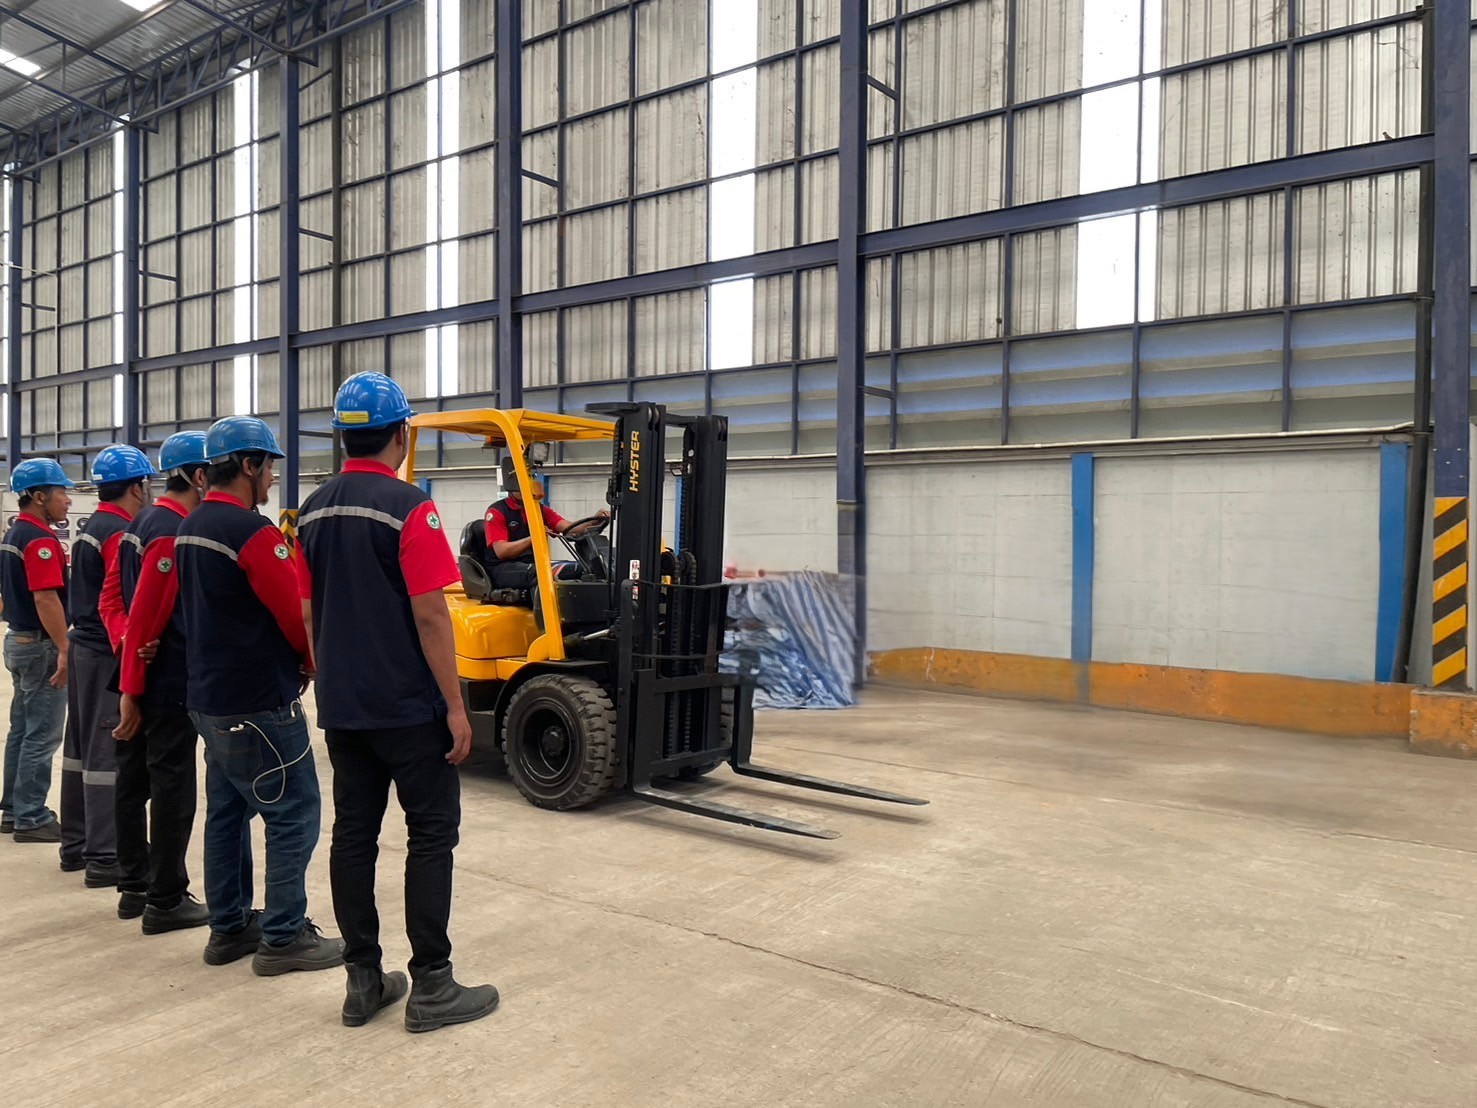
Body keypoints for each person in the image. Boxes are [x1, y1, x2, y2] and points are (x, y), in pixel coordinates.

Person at [298, 371, 498, 1032]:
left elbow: (308, 610)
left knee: (353, 835)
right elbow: (432, 615)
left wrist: (329, 675)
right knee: (430, 835)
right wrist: (456, 707)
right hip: (408, 708)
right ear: (401, 434)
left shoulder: (313, 511)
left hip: (345, 707)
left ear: (342, 436)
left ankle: (362, 981)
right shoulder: (410, 508)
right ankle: (432, 984)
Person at [174, 416, 343, 975]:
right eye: (268, 466)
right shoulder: (252, 533)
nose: (272, 478)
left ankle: (228, 928)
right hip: (258, 701)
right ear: (248, 465)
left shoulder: (192, 526)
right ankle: (284, 937)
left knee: (226, 813)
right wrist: (311, 660)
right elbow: (295, 614)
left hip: (210, 698)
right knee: (294, 813)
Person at [103, 431, 213, 935]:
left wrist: (128, 644)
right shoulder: (171, 530)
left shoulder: (139, 525)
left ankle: (134, 885)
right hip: (163, 678)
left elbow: (113, 599)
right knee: (172, 786)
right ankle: (166, 897)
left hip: (137, 667)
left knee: (133, 780)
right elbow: (151, 609)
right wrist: (138, 655)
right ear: (199, 476)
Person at [59, 445, 154, 887]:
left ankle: (76, 844)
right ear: (136, 488)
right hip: (104, 651)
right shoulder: (120, 532)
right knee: (105, 749)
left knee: (79, 750)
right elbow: (123, 598)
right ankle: (104, 854)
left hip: (82, 644)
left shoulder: (91, 527)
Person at [0, 459, 73, 843]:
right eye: (62, 493)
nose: (68, 500)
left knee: (22, 729)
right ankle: (31, 816)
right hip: (40, 644)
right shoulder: (40, 540)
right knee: (41, 734)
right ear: (40, 497)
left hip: (18, 640)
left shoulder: (14, 534)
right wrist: (64, 647)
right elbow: (45, 598)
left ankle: (13, 810)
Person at [483, 480, 606, 590]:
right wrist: (535, 536)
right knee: (544, 573)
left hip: (531, 563)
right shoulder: (497, 511)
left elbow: (569, 529)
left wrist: (594, 521)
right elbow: (502, 551)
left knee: (583, 568)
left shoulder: (538, 509)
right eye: (519, 485)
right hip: (503, 568)